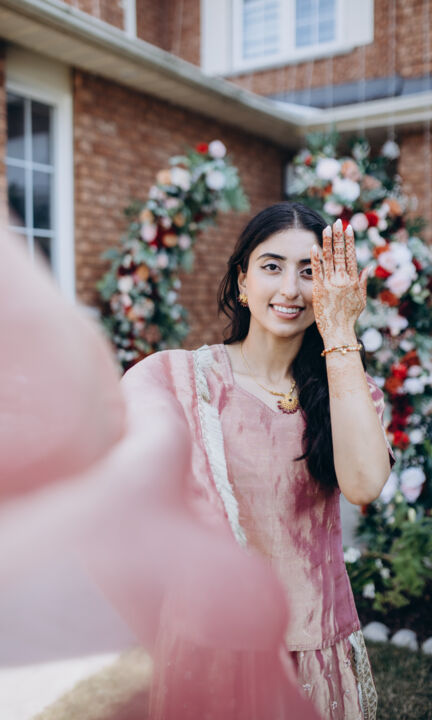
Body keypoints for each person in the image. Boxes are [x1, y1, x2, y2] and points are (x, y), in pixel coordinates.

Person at [122, 201, 395, 719]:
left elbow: (363, 485)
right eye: (272, 266)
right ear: (243, 281)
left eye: (310, 271)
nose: (291, 289)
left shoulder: (348, 392)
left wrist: (340, 333)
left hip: (313, 642)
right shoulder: (185, 381)